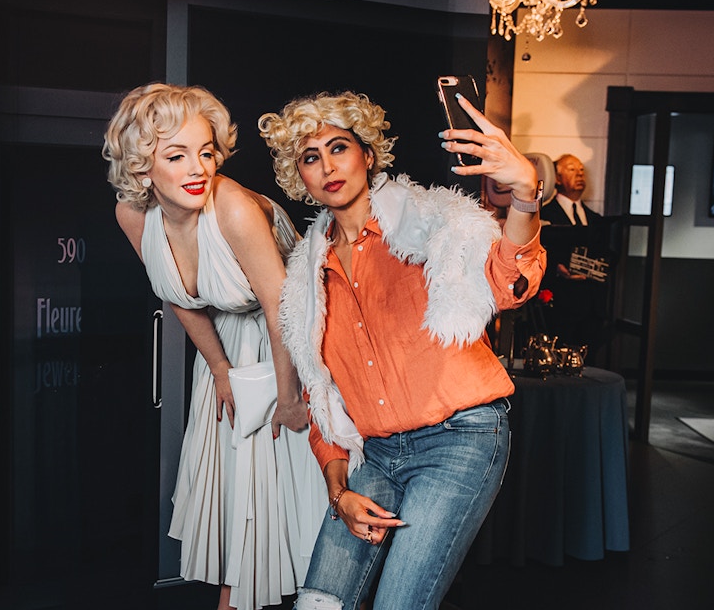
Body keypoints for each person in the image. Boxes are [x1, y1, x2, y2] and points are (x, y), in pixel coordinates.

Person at [258, 91, 547, 610]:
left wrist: (525, 195)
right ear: (299, 176)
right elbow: (322, 392)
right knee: (318, 604)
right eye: (310, 157)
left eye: (339, 148)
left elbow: (509, 284)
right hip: (378, 455)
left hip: (459, 440)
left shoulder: (432, 221)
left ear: (368, 154)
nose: (328, 166)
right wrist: (338, 492)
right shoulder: (306, 278)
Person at [103, 83, 323, 610]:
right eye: (176, 155)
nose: (198, 168)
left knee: (305, 508)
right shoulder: (131, 215)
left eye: (205, 152)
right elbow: (175, 291)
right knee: (240, 503)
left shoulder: (233, 209)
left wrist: (290, 398)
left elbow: (284, 310)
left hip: (295, 346)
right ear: (142, 168)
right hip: (229, 349)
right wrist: (220, 368)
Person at [541, 153, 612, 357]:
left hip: (592, 309)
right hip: (559, 307)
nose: (579, 174)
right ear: (557, 178)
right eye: (572, 169)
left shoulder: (595, 219)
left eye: (581, 170)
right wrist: (556, 267)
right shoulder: (543, 215)